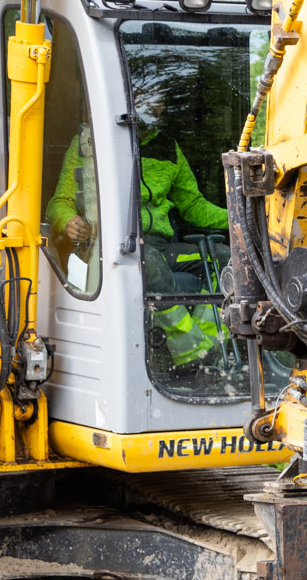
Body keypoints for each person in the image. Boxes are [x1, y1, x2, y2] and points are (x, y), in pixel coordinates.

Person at [45, 75, 229, 365]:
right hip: (109, 247)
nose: (154, 108)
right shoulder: (88, 143)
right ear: (129, 98)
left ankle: (210, 344)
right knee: (149, 262)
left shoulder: (169, 149)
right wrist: (67, 221)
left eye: (159, 102)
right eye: (147, 99)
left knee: (224, 258)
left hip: (161, 247)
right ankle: (192, 355)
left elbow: (193, 205)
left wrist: (237, 218)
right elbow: (59, 204)